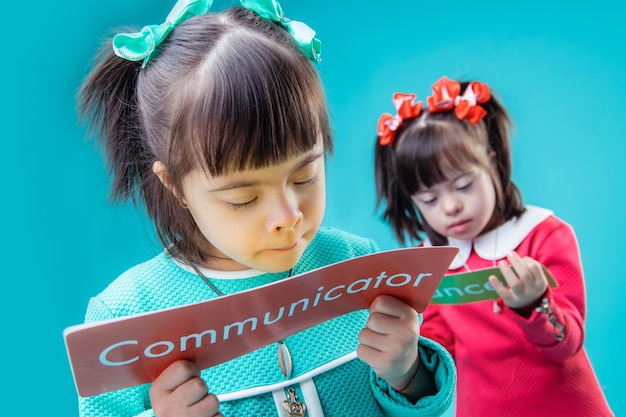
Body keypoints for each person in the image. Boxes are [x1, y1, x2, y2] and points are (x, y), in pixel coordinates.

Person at [76, 0, 457, 416]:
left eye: (304, 177)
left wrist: (410, 376)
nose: (287, 216)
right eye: (244, 197)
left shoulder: (359, 266)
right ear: (175, 185)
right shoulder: (127, 318)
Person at [373, 76, 613, 417]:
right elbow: (440, 355)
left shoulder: (543, 234)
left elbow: (568, 344)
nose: (450, 206)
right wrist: (406, 347)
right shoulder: (430, 264)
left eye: (464, 185)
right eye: (429, 199)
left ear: (492, 162)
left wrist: (534, 304)